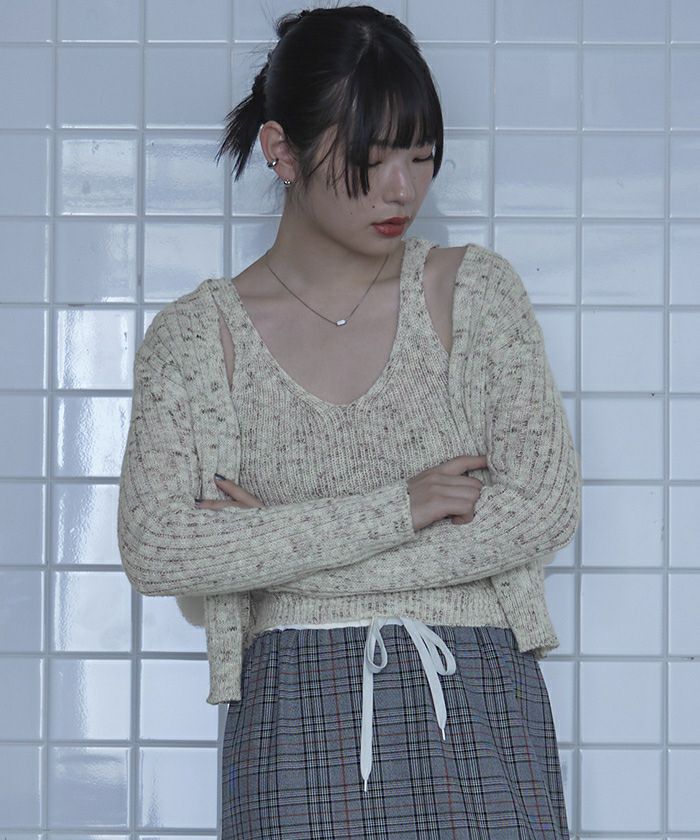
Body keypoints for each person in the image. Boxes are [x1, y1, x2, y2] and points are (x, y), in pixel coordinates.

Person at [117, 4, 581, 837]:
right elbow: (156, 548)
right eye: (370, 160)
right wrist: (400, 507)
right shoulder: (195, 339)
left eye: (421, 156)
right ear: (281, 150)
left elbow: (544, 506)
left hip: (478, 698)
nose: (403, 189)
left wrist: (273, 557)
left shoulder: (473, 293)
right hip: (288, 714)